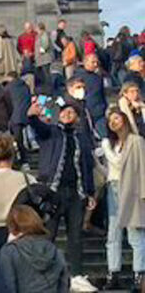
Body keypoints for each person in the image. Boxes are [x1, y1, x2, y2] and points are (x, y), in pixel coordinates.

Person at [27, 99, 97, 292]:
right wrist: (32, 116)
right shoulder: (52, 132)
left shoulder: (81, 138)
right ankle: (43, 275)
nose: (67, 114)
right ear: (59, 114)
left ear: (76, 118)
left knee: (75, 236)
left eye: (72, 113)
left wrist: (90, 192)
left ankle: (77, 276)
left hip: (76, 193)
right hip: (53, 191)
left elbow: (87, 166)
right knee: (49, 234)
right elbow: (38, 127)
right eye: (65, 112)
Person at [101, 106, 145, 291]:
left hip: (132, 189)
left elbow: (142, 167)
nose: (114, 123)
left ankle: (139, 275)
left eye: (117, 118)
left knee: (136, 234)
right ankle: (113, 273)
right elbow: (108, 170)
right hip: (113, 187)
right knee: (113, 234)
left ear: (125, 120)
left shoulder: (136, 141)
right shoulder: (110, 144)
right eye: (111, 120)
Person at [0, 204, 69, 293]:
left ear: (12, 226)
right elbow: (64, 283)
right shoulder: (54, 250)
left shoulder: (9, 251)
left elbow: (8, 286)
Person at [73, 53, 108, 140]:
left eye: (97, 62)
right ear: (85, 62)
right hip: (87, 112)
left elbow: (102, 94)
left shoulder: (98, 77)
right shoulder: (78, 77)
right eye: (93, 62)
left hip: (100, 111)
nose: (95, 65)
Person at [6, 71, 33, 168]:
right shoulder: (25, 87)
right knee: (19, 139)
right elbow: (29, 101)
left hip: (12, 116)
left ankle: (20, 160)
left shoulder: (8, 88)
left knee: (16, 140)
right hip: (23, 115)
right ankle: (23, 160)